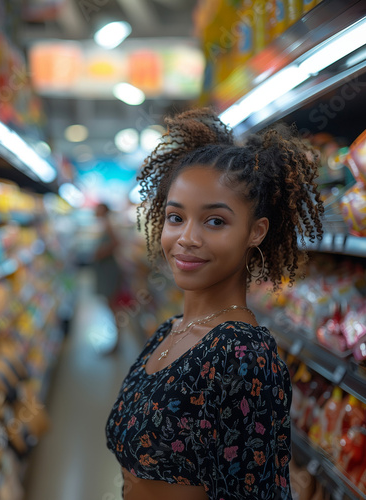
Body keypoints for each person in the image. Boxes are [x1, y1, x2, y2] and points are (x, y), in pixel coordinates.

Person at [105, 107, 324, 499]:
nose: (186, 238)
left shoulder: (242, 355)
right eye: (176, 217)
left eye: (215, 221)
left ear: (255, 232)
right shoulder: (169, 331)